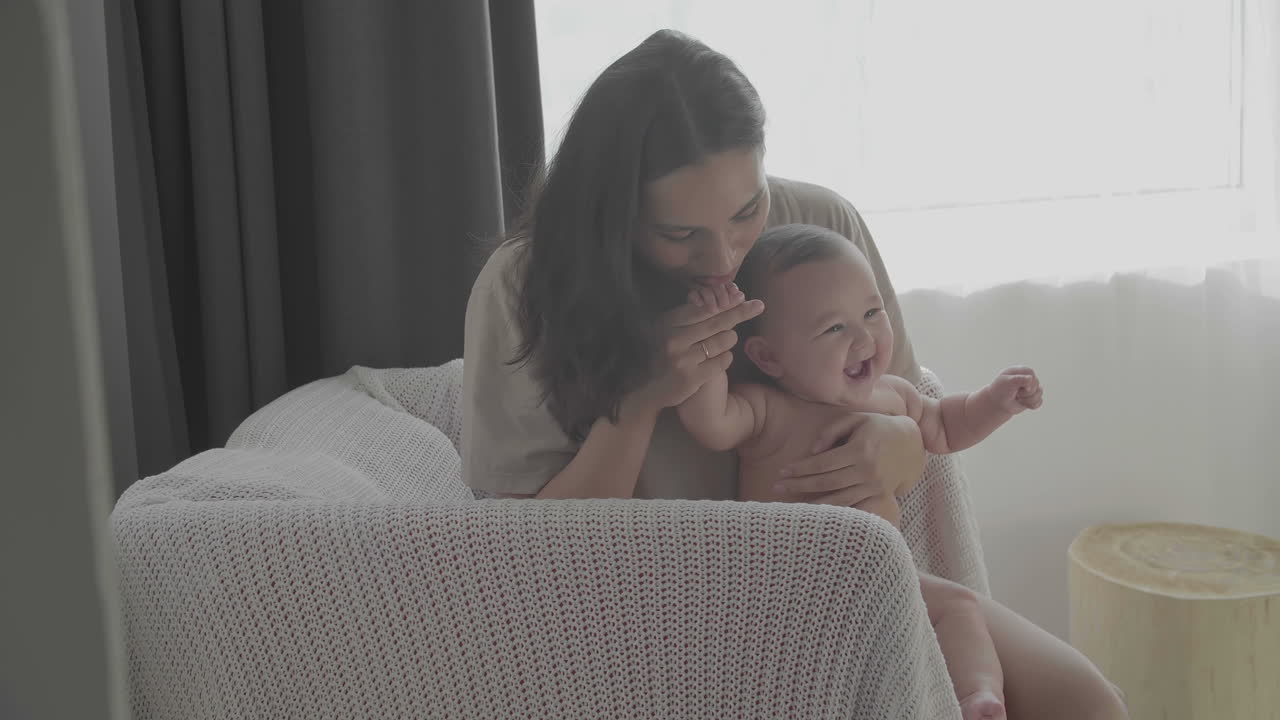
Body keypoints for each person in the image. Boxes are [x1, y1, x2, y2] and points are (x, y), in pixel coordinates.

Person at [462, 28, 1127, 720]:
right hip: (654, 612)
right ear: (616, 212)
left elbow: (903, 413)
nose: (723, 257)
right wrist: (640, 400)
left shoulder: (820, 223)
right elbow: (523, 561)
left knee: (1088, 703)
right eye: (679, 235)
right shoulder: (524, 288)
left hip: (849, 572)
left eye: (747, 211)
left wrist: (891, 450)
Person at [677, 223, 1047, 719]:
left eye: (872, 312)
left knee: (958, 606)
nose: (864, 337)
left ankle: (977, 698)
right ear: (768, 357)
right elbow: (709, 423)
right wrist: (711, 340)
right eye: (834, 328)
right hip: (794, 591)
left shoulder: (895, 394)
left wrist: (995, 403)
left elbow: (948, 425)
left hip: (882, 580)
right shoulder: (767, 409)